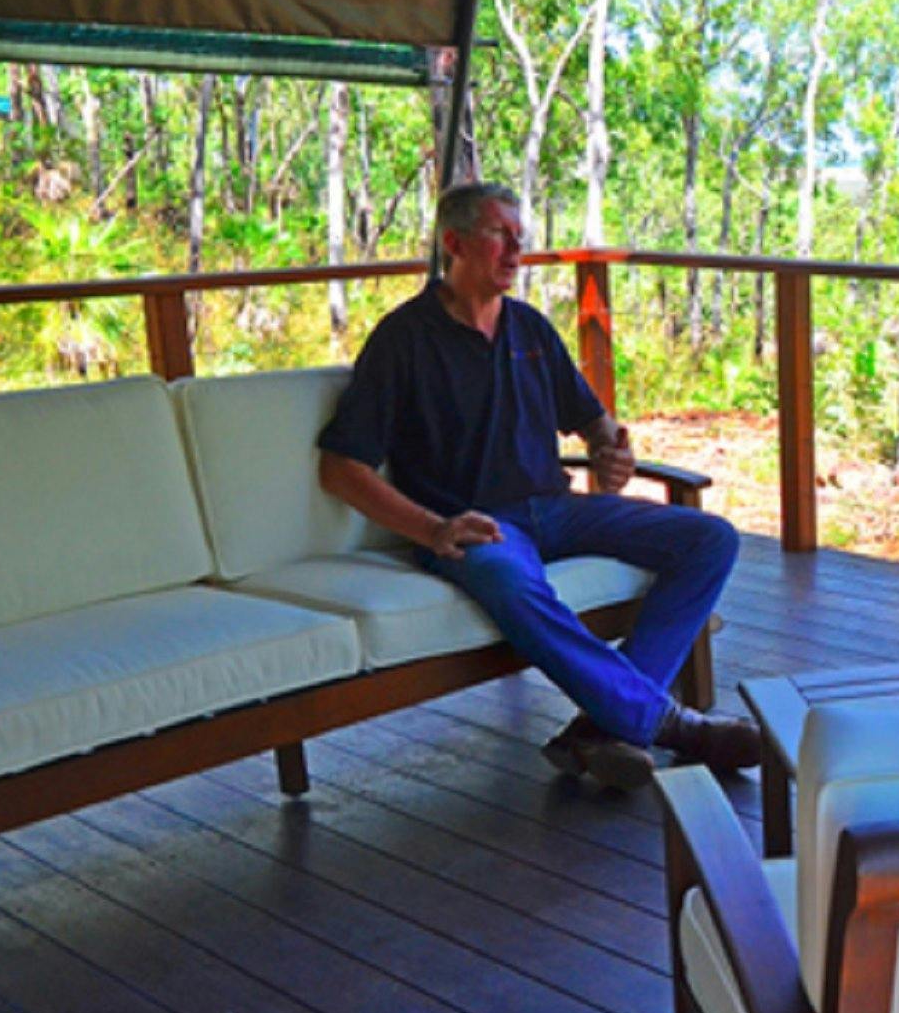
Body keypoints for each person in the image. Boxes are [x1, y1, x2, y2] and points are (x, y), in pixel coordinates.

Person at [317, 181, 759, 789]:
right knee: (508, 578)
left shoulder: (528, 329)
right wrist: (433, 528)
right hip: (478, 526)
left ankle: (605, 729)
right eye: (501, 236)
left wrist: (610, 449)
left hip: (557, 509)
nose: (515, 252)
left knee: (712, 540)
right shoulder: (404, 340)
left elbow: (594, 420)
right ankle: (671, 725)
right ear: (454, 242)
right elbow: (340, 468)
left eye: (519, 240)